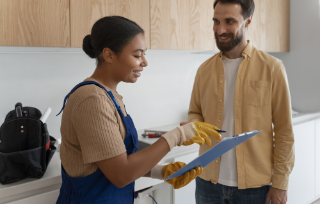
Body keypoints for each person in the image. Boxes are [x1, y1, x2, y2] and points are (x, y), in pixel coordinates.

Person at [55, 16, 221, 204]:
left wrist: (160, 171)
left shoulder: (110, 96)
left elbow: (113, 161)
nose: (144, 62)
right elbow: (121, 174)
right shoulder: (92, 99)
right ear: (109, 55)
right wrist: (177, 135)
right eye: (137, 55)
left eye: (144, 54)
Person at [184, 0, 295, 204]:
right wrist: (195, 126)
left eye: (229, 21)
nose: (220, 29)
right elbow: (194, 111)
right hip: (208, 183)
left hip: (255, 188)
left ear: (248, 21)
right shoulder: (203, 70)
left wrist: (281, 183)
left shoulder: (272, 68)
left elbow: (284, 132)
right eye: (216, 21)